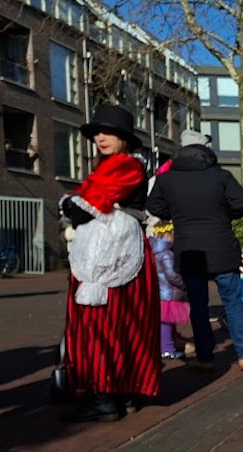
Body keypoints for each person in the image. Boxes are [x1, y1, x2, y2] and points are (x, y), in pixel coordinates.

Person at [58, 104, 161, 422]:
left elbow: (84, 207)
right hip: (116, 252)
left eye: (109, 132)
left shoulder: (125, 165)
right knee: (124, 322)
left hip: (112, 254)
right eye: (97, 133)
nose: (100, 138)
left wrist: (72, 204)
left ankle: (104, 398)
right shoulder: (116, 165)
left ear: (124, 137)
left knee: (102, 323)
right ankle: (122, 394)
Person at [145, 129, 243, 372]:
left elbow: (154, 206)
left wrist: (176, 214)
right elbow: (242, 201)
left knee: (198, 306)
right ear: (207, 153)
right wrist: (223, 215)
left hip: (189, 249)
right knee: (233, 302)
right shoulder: (220, 176)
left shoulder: (167, 179)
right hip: (221, 246)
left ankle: (205, 357)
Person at [149, 220, 191, 360]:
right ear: (167, 235)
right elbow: (172, 275)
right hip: (169, 292)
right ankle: (167, 349)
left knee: (167, 321)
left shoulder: (153, 251)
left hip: (161, 291)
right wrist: (184, 284)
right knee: (166, 322)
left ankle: (170, 343)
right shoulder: (166, 253)